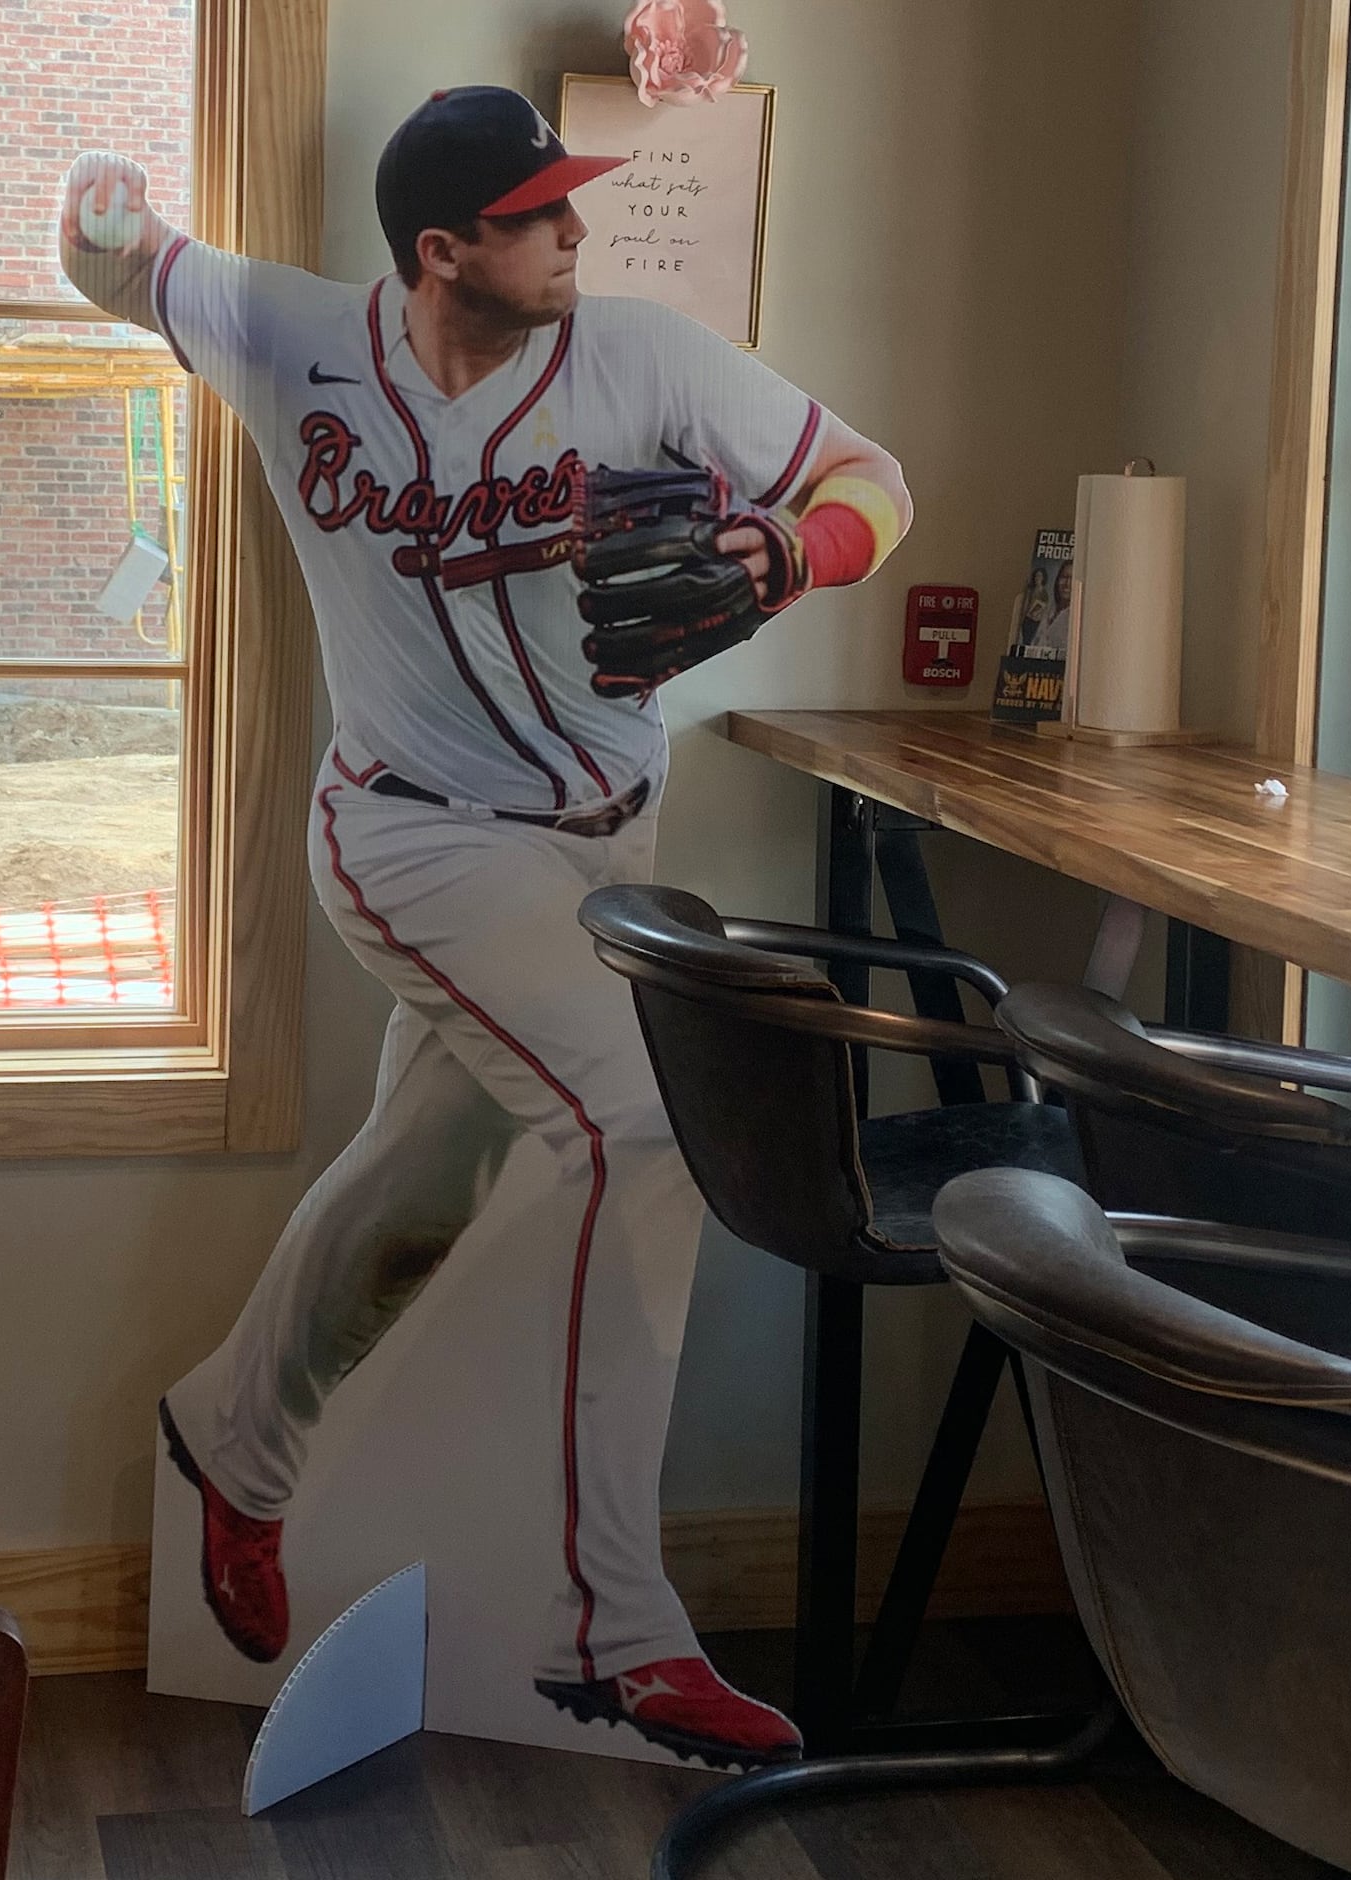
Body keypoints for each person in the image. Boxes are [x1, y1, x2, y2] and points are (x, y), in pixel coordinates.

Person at [56, 86, 913, 1768]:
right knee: (641, 1121)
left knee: (425, 1185)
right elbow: (122, 263)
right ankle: (617, 1631)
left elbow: (877, 481)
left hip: (610, 843)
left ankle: (236, 1444)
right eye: (538, 213)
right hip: (410, 833)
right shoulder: (296, 337)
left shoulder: (648, 360)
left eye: (569, 203)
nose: (575, 231)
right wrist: (101, 203)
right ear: (444, 252)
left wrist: (791, 549)